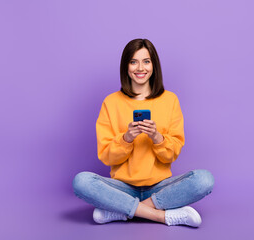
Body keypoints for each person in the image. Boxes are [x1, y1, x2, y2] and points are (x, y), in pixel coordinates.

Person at [72, 39, 214, 227]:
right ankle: (161, 216)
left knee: (204, 179)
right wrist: (126, 138)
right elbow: (106, 157)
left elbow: (171, 154)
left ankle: (122, 211)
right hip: (122, 188)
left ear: (154, 65)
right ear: (126, 66)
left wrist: (157, 137)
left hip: (160, 188)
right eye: (133, 61)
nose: (140, 68)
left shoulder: (170, 100)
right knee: (81, 181)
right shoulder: (111, 102)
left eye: (146, 61)